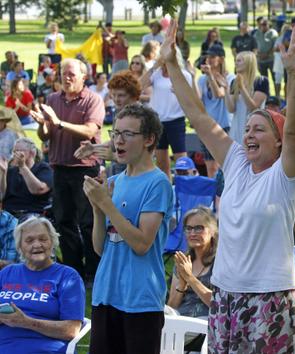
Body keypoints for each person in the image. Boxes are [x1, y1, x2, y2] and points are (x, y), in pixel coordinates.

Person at [161, 19, 295, 352]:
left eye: (259, 130)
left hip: (270, 297)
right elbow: (198, 117)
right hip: (226, 295)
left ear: (277, 141)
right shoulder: (237, 163)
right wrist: (171, 64)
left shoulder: (286, 176)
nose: (249, 135)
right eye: (247, 129)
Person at [83, 104, 173, 354]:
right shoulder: (113, 182)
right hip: (106, 294)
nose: (118, 141)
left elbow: (142, 244)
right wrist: (97, 209)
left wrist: (106, 204)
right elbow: (101, 248)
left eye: (127, 134)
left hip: (140, 300)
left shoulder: (158, 183)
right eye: (115, 133)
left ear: (149, 140)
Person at [29, 58, 104, 283]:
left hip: (85, 169)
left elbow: (90, 130)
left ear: (83, 77)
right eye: (63, 74)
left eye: (71, 74)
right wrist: (43, 124)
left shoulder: (93, 100)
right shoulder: (53, 99)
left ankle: (93, 271)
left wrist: (59, 122)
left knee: (88, 221)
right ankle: (73, 270)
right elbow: (45, 136)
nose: (67, 78)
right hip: (60, 168)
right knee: (63, 221)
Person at [0, 217, 85, 354]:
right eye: (29, 240)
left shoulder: (67, 276)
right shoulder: (7, 273)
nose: (37, 245)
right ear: (20, 246)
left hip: (43, 348)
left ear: (52, 242)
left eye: (43, 239)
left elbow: (72, 330)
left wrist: (26, 322)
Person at [140, 50, 193, 178]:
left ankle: (185, 188)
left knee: (181, 161)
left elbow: (190, 98)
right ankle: (167, 190)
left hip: (176, 120)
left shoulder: (183, 75)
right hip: (158, 121)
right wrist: (154, 66)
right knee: (161, 162)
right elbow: (140, 85)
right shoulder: (156, 74)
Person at [167, 206, 216, 317]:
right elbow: (171, 307)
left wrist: (190, 278)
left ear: (212, 231)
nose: (192, 233)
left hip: (206, 324)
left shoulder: (219, 263)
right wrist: (182, 285)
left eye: (199, 228)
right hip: (181, 322)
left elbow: (218, 305)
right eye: (188, 228)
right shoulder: (183, 261)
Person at [198, 44, 234, 178]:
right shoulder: (202, 79)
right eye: (207, 56)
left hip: (224, 126)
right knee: (210, 167)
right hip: (207, 127)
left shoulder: (229, 78)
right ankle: (213, 197)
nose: (209, 59)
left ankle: (223, 196)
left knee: (223, 166)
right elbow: (198, 99)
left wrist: (211, 77)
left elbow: (218, 94)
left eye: (213, 57)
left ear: (222, 59)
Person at [0, 138, 52, 220]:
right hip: (9, 215)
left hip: (33, 214)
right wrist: (3, 172)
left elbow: (39, 189)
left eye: (18, 151)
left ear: (32, 153)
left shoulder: (43, 168)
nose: (14, 154)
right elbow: (1, 195)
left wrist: (23, 167)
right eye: (14, 151)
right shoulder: (11, 170)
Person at [224, 51, 269, 144]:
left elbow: (253, 107)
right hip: (237, 129)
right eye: (235, 60)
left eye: (239, 61)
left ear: (248, 62)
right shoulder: (234, 82)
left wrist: (242, 88)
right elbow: (231, 109)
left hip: (254, 129)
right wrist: (225, 88)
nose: (235, 63)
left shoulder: (261, 81)